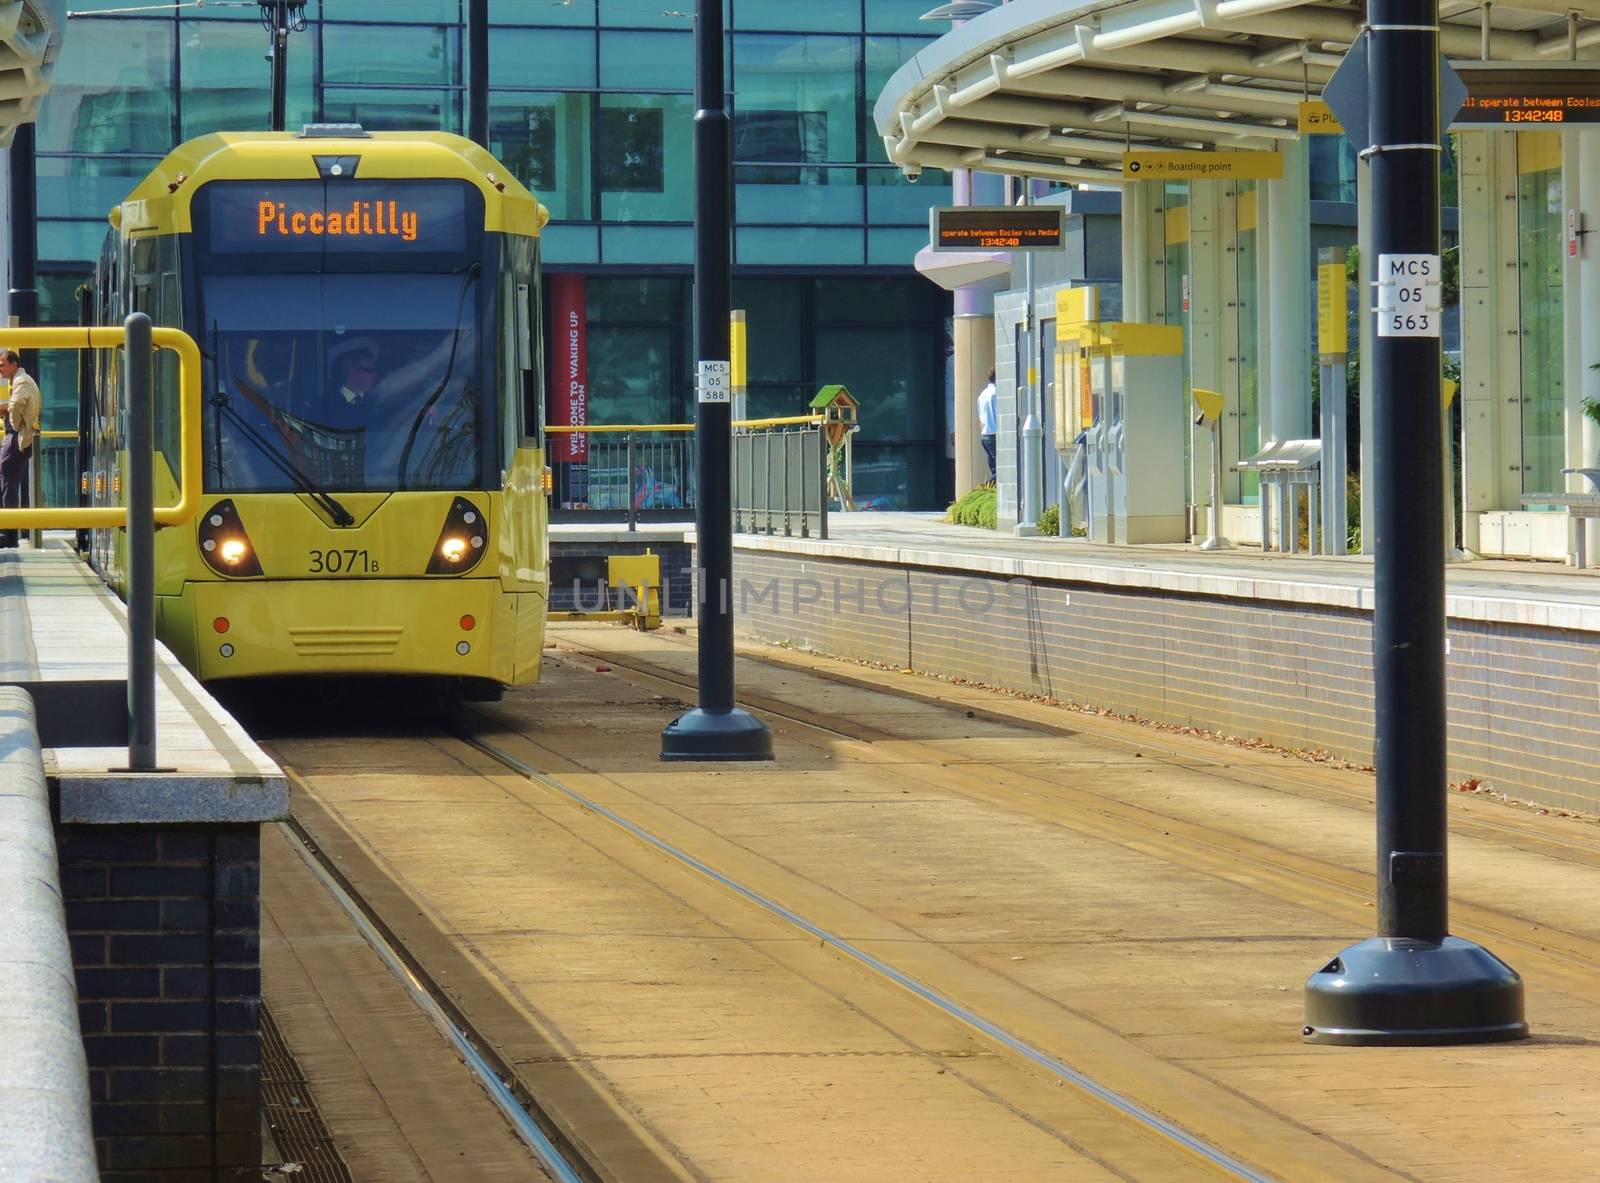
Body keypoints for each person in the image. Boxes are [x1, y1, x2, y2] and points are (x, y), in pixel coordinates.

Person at [0, 349, 41, 548]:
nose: (0, 369)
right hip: (17, 437)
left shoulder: (21, 381)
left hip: (18, 437)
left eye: (2, 365)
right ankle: (8, 530)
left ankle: (10, 532)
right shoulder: (20, 381)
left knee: (8, 482)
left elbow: (16, 405)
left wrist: (14, 425)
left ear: (13, 364)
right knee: (6, 479)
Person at [976, 366, 998, 482]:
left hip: (985, 435)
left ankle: (990, 490)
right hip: (994, 434)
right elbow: (1000, 415)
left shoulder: (982, 395)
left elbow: (980, 416)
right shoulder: (996, 394)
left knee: (994, 468)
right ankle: (985, 487)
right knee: (1000, 470)